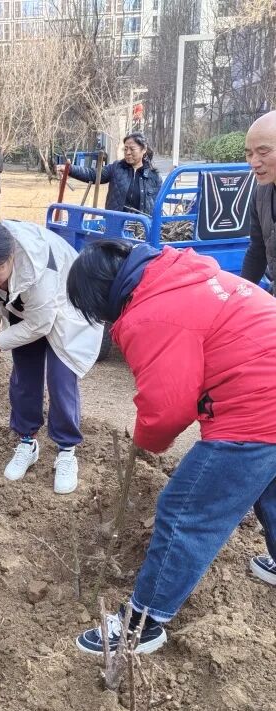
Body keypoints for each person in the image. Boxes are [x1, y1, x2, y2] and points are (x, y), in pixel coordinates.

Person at [66, 239, 276, 655]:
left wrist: (146, 439)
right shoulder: (175, 275)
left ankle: (143, 622)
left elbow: (167, 407)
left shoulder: (150, 313)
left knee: (185, 512)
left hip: (258, 408)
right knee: (269, 486)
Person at [0, 218, 103, 494]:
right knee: (25, 376)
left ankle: (66, 450)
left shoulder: (40, 270)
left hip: (67, 305)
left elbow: (41, 324)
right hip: (27, 307)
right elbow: (7, 303)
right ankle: (27, 442)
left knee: (61, 379)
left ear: (12, 256)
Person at [57, 132, 162, 216]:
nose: (128, 152)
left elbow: (157, 207)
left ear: (144, 149)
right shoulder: (116, 168)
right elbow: (93, 174)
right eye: (125, 149)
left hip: (142, 229)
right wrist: (69, 169)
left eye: (132, 149)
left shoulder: (154, 177)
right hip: (115, 225)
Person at [241, 110, 276, 286]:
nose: (254, 162)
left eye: (263, 152)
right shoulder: (261, 193)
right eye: (249, 153)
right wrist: (241, 292)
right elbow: (258, 250)